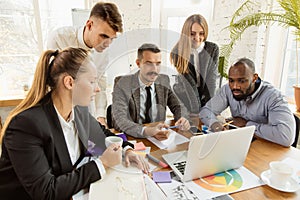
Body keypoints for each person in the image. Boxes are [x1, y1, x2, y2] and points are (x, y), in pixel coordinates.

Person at [0, 48, 148, 200]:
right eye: (92, 81)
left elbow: (102, 134)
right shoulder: (26, 125)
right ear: (69, 82)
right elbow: (46, 192)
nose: (97, 89)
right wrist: (102, 164)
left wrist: (127, 150)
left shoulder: (78, 111)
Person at [47, 2, 123, 127]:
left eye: (112, 38)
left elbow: (100, 83)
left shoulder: (104, 50)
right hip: (61, 112)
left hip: (88, 110)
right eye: (104, 36)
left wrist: (100, 116)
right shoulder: (59, 38)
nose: (107, 43)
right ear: (89, 25)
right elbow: (55, 86)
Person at [199, 58, 295, 147]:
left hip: (264, 147)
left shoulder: (273, 97)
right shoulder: (227, 89)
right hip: (239, 144)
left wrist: (247, 125)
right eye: (231, 80)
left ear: (254, 78)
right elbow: (206, 111)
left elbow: (286, 136)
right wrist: (214, 124)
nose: (235, 86)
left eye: (241, 81)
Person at [112, 43, 190, 141]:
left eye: (158, 63)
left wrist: (182, 119)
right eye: (149, 63)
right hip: (135, 138)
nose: (154, 69)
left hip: (160, 139)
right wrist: (147, 131)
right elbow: (119, 120)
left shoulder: (164, 80)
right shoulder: (122, 84)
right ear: (138, 63)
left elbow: (178, 105)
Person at [170, 14, 219, 115]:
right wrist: (196, 112)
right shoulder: (177, 52)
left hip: (203, 93)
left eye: (201, 33)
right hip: (184, 95)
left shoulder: (213, 49)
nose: (197, 38)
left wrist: (208, 109)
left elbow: (211, 80)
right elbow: (190, 85)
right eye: (192, 34)